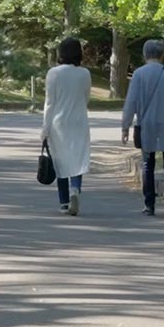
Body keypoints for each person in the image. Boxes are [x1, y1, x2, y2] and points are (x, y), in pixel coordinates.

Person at [121, 39, 164, 217]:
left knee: (148, 163)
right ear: (162, 54)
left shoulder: (139, 74)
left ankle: (149, 204)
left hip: (147, 123)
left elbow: (131, 102)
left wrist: (125, 126)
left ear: (145, 54)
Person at [41, 37, 92, 216]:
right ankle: (75, 189)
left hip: (58, 122)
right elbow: (86, 98)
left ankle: (64, 201)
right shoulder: (85, 74)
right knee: (77, 158)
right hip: (79, 120)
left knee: (60, 160)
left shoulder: (53, 73)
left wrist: (45, 128)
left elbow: (49, 102)